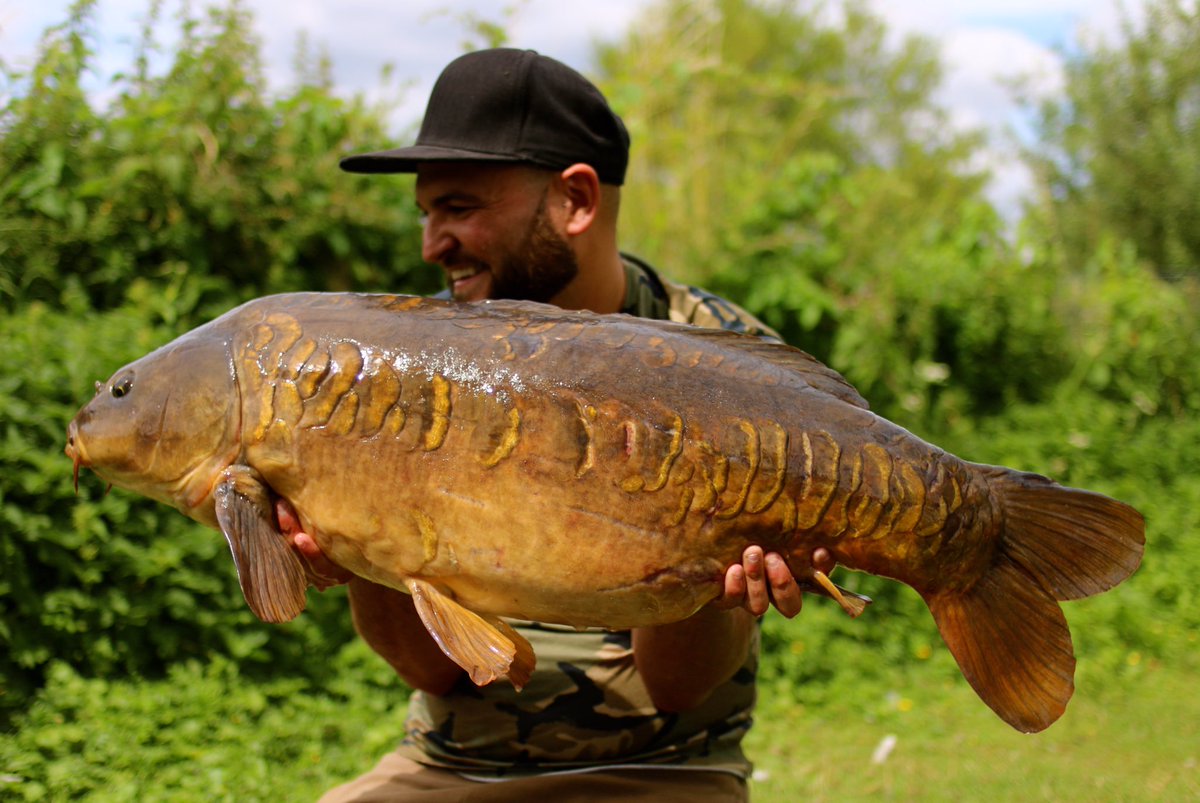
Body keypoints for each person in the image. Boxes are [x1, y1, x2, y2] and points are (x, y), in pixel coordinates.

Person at [286, 48, 831, 801]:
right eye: (426, 212)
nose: (430, 244)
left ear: (575, 200)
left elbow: (676, 689)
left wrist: (716, 577)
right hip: (449, 768)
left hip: (662, 772)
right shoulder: (410, 368)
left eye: (459, 207)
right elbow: (433, 670)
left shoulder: (729, 368)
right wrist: (358, 551)